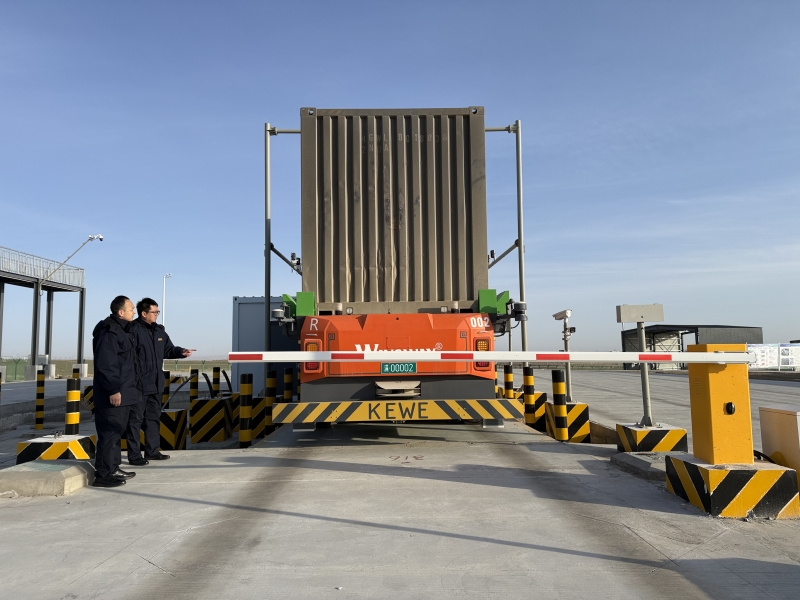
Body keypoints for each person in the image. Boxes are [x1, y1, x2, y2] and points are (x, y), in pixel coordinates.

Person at [129, 297, 194, 464]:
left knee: (153, 418)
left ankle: (152, 451)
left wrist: (181, 352)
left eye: (158, 311)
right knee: (135, 421)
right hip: (138, 385)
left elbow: (168, 349)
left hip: (156, 383)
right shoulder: (133, 330)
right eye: (154, 312)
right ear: (144, 313)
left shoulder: (159, 331)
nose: (157, 314)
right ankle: (134, 455)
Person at [91, 296, 140, 487]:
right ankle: (103, 474)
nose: (134, 312)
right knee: (109, 433)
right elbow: (106, 364)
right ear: (121, 312)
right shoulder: (109, 332)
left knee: (116, 432)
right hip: (112, 394)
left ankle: (113, 467)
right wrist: (113, 389)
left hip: (124, 392)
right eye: (131, 309)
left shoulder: (123, 331)